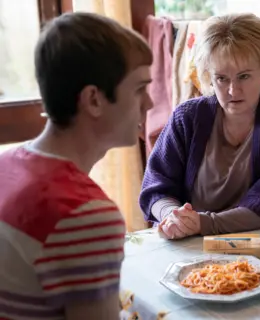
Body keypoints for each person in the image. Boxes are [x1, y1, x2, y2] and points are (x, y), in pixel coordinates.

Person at [0, 12, 152, 320]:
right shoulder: (83, 215)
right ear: (93, 100)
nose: (148, 103)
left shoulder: (6, 166)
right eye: (139, 89)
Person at [140, 13, 260, 240]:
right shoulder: (188, 117)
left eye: (244, 76)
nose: (233, 90)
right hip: (188, 242)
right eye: (221, 78)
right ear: (208, 76)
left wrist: (204, 224)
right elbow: (157, 184)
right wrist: (171, 216)